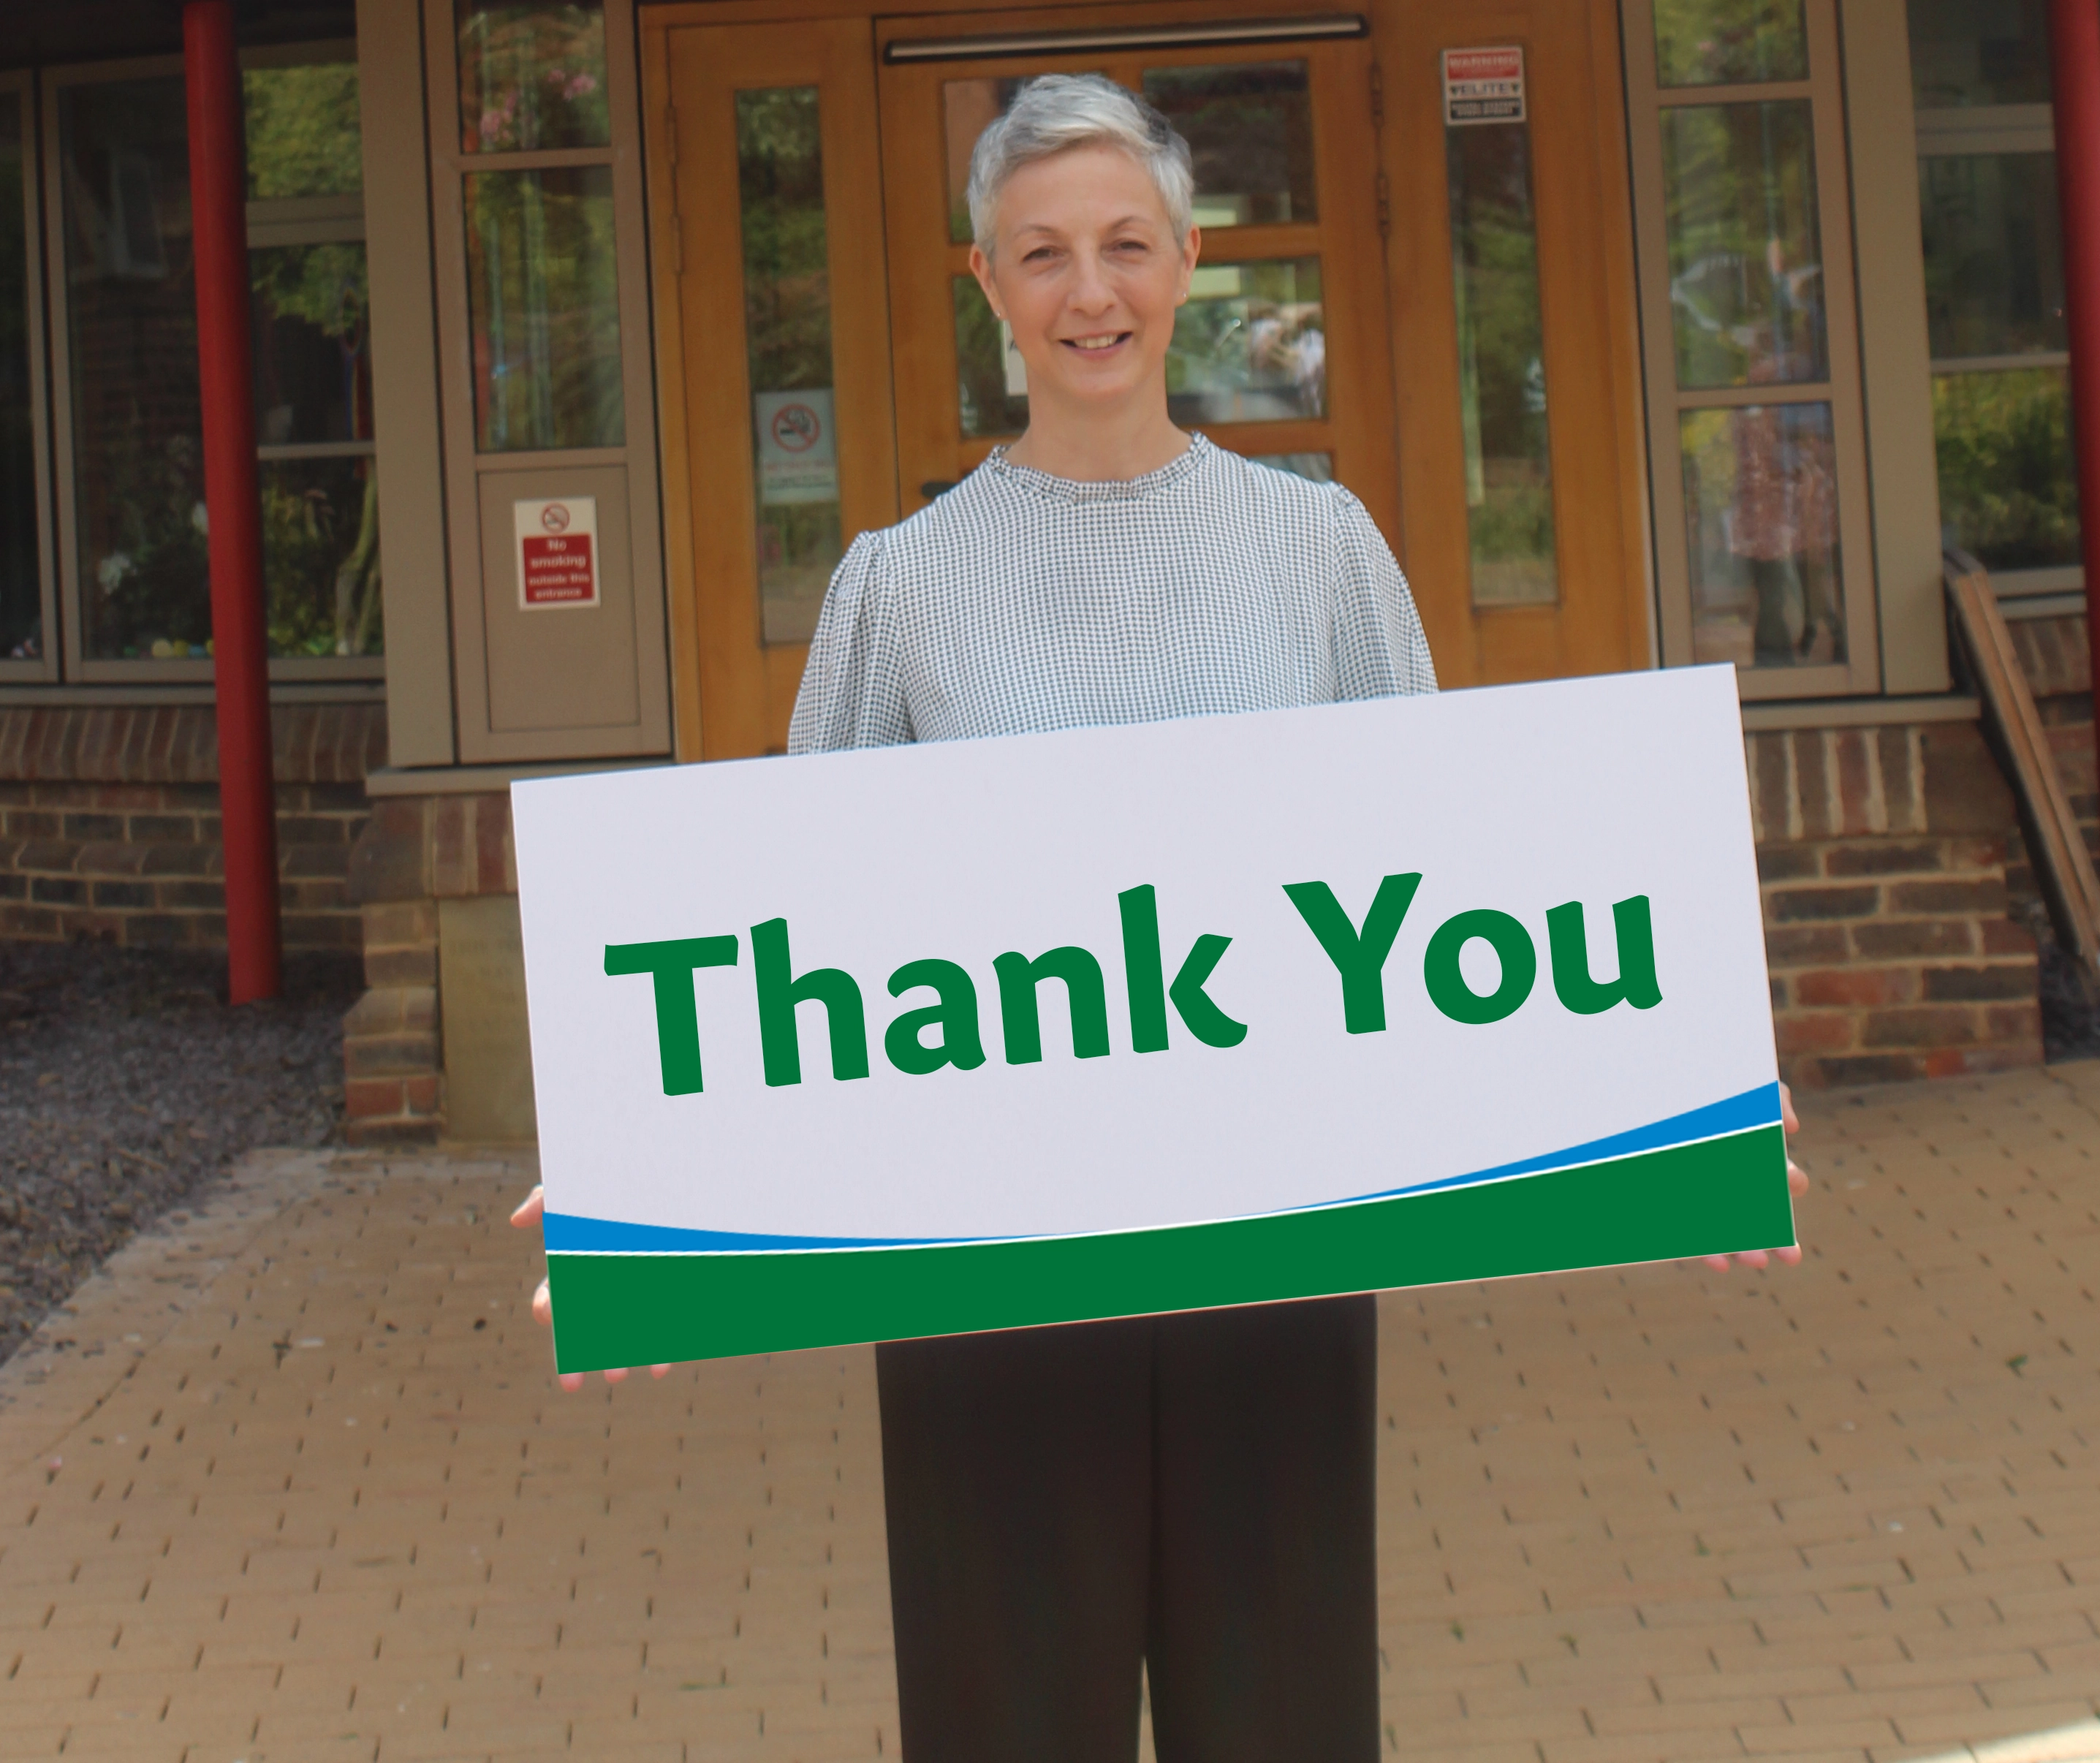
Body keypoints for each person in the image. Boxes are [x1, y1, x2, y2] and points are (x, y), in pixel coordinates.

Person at [512, 72, 1809, 1763]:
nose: (1091, 290)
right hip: (983, 1282)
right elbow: (790, 956)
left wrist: (1662, 1104)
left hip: (1278, 1263)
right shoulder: (896, 589)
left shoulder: (1320, 551)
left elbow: (1451, 905)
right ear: (986, 284)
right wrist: (644, 1181)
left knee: (1279, 1721)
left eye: (1126, 244)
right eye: (1042, 254)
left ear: (1192, 260)